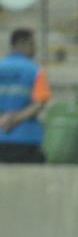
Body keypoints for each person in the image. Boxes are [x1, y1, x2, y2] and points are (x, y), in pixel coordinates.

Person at [0, 29, 50, 164]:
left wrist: (3, 120)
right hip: (26, 138)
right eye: (32, 44)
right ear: (21, 44)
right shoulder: (35, 71)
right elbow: (39, 103)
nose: (35, 49)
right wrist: (15, 119)